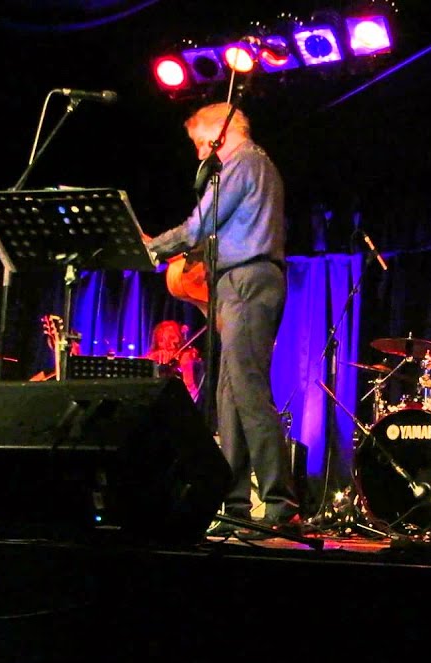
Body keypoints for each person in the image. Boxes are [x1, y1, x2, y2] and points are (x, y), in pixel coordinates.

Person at [144, 102, 299, 537]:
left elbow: (198, 226)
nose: (199, 154)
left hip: (248, 281)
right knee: (228, 397)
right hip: (237, 283)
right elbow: (212, 233)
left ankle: (280, 503)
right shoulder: (250, 167)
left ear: (219, 134)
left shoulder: (243, 162)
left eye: (200, 144)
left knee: (247, 391)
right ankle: (234, 504)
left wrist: (150, 248)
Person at [145, 319, 202, 401]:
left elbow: (190, 389)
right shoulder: (155, 355)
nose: (176, 341)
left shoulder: (187, 355)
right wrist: (153, 358)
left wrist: (185, 362)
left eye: (176, 336)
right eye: (171, 338)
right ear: (159, 341)